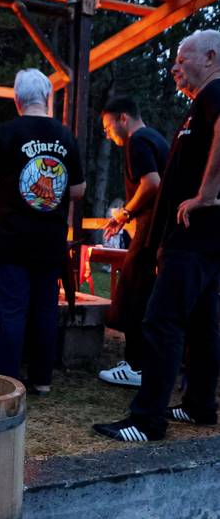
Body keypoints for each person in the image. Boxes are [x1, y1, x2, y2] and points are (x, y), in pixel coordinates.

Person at [94, 29, 220, 443]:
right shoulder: (200, 104)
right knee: (202, 323)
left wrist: (206, 194)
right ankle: (200, 404)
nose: (175, 68)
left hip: (192, 234)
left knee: (162, 320)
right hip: (201, 237)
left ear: (210, 57)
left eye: (183, 60)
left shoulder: (216, 92)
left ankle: (147, 421)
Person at [0, 68, 85, 395]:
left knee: (12, 312)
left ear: (17, 100)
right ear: (48, 98)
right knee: (45, 311)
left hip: (10, 240)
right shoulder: (66, 136)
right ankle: (42, 380)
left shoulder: (7, 133)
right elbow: (78, 190)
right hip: (50, 242)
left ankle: (7, 383)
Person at [97, 96, 168, 387]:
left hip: (151, 231)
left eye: (108, 127)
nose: (107, 134)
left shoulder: (137, 141)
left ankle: (137, 367)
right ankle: (142, 363)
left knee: (134, 294)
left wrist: (125, 212)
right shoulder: (156, 138)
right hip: (159, 231)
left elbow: (152, 182)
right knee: (143, 294)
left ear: (123, 118)